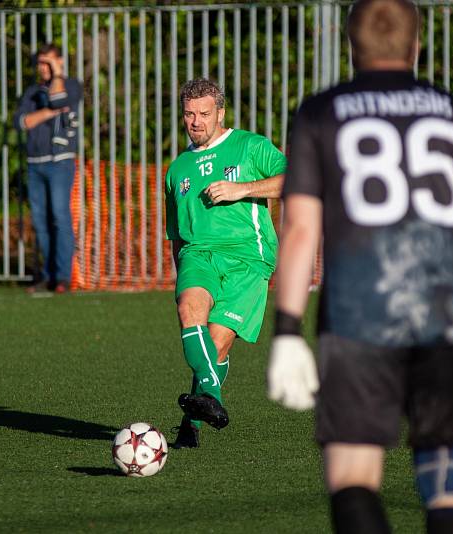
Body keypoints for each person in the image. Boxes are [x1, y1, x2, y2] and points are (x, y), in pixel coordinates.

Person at [266, 1, 453, 533]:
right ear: (415, 46)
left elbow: (299, 229)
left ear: (350, 46)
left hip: (358, 318)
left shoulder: (321, 112)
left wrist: (288, 331)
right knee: (448, 484)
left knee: (354, 480)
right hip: (445, 316)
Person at [165, 78, 287, 448]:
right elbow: (176, 234)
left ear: (220, 113)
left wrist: (243, 189)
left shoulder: (249, 146)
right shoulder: (177, 169)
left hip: (249, 258)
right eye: (189, 114)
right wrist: (181, 275)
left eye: (204, 113)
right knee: (189, 308)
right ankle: (211, 401)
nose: (196, 121)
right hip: (197, 255)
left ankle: (192, 423)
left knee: (215, 348)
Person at [13, 43, 82, 294]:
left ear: (60, 62)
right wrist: (48, 112)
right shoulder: (31, 92)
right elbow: (22, 122)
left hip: (60, 162)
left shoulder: (72, 85)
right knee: (40, 222)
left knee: (59, 217)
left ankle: (62, 277)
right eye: (41, 63)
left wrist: (57, 75)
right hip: (35, 164)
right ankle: (48, 274)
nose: (44, 68)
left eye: (49, 62)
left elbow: (59, 98)